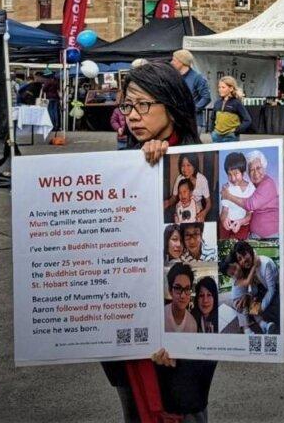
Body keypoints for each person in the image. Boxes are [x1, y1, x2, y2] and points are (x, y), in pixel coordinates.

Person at [104, 61, 216, 423]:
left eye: (143, 105)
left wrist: (176, 334)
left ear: (173, 104)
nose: (132, 116)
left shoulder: (190, 165)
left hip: (181, 338)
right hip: (129, 327)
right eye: (127, 106)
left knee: (185, 411)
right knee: (134, 411)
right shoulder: (124, 166)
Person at [221, 149, 279, 240]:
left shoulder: (267, 184)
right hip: (252, 234)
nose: (255, 173)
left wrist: (228, 196)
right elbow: (224, 210)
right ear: (247, 173)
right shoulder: (230, 187)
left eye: (258, 168)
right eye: (251, 170)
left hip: (270, 235)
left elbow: (250, 205)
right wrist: (224, 218)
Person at [234, 241, 280, 333]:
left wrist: (261, 307)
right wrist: (247, 295)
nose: (243, 260)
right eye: (240, 259)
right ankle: (264, 325)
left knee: (269, 312)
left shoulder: (265, 263)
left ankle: (268, 325)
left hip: (276, 289)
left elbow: (271, 290)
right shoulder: (250, 267)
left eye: (244, 254)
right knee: (248, 304)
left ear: (250, 251)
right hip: (262, 290)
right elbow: (254, 289)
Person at [171, 49, 212, 134]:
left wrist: (193, 109)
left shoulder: (197, 77)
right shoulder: (174, 77)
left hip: (194, 122)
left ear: (182, 62)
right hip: (177, 121)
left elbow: (206, 97)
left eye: (174, 60)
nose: (171, 62)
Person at [165, 152, 210, 224]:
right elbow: (173, 198)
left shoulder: (202, 180)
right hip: (182, 207)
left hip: (197, 209)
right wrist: (167, 203)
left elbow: (208, 202)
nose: (185, 169)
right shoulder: (179, 178)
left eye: (188, 165)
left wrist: (204, 213)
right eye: (183, 165)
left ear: (194, 166)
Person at [218, 152, 254, 240]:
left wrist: (240, 222)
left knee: (239, 246)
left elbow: (249, 215)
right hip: (227, 224)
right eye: (229, 174)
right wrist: (223, 219)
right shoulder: (227, 188)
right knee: (224, 244)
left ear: (243, 173)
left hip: (243, 224)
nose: (233, 178)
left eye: (236, 174)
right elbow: (224, 210)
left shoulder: (251, 189)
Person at [212, 76, 252, 143]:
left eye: (223, 87)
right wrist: (213, 132)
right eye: (219, 87)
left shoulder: (236, 103)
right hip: (216, 137)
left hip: (230, 137)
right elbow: (212, 118)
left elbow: (247, 120)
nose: (220, 89)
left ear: (231, 88)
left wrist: (236, 131)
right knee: (217, 154)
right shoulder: (217, 103)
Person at [165, 262, 199, 334]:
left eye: (187, 289)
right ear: (170, 291)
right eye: (178, 288)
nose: (183, 296)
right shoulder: (161, 316)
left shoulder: (192, 324)